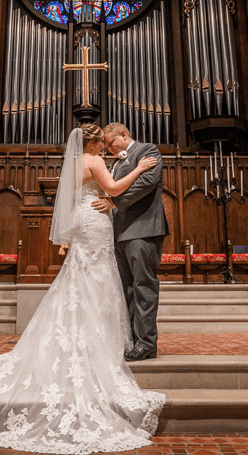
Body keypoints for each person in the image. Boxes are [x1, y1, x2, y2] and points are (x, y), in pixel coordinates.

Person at [0, 124, 166, 454]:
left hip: (84, 221)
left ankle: (84, 334)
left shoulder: (72, 163)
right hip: (98, 221)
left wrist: (129, 178)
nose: (108, 151)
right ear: (96, 142)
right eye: (104, 145)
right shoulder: (96, 161)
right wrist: (137, 170)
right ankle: (100, 340)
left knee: (80, 280)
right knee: (100, 280)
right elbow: (112, 191)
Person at [91, 123, 168, 362]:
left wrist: (114, 203)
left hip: (143, 229)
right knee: (126, 289)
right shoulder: (115, 163)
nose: (108, 149)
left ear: (124, 135)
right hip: (120, 231)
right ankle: (132, 340)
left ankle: (146, 344)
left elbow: (146, 183)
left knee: (144, 286)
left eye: (110, 144)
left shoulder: (148, 151)